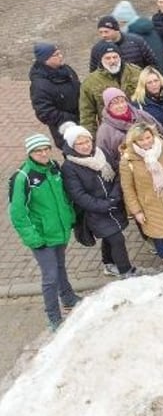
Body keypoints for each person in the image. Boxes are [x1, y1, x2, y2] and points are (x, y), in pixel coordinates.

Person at [9, 134, 81, 330]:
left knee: (60, 267)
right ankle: (53, 317)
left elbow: (64, 197)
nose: (42, 153)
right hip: (41, 237)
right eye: (37, 151)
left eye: (45, 149)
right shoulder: (22, 177)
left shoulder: (54, 167)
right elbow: (17, 213)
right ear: (30, 153)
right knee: (50, 277)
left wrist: (70, 217)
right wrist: (33, 238)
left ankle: (68, 298)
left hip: (59, 230)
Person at [59, 124, 135, 278]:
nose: (85, 146)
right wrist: (104, 205)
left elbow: (116, 173)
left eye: (87, 141)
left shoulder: (101, 153)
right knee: (116, 239)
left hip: (113, 204)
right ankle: (126, 271)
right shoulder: (69, 167)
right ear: (72, 146)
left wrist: (114, 197)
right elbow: (78, 195)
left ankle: (109, 264)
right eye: (80, 143)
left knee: (110, 236)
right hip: (95, 212)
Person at [119, 123, 163, 271]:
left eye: (148, 137)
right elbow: (128, 188)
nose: (146, 142)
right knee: (158, 233)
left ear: (153, 135)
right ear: (134, 141)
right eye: (141, 140)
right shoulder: (128, 160)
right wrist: (136, 211)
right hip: (149, 204)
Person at [79, 43, 142, 135]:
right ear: (101, 60)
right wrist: (91, 136)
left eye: (115, 57)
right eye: (108, 58)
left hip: (138, 125)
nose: (112, 61)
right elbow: (87, 115)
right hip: (112, 131)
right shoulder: (90, 82)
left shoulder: (135, 72)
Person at [30, 42, 80, 144]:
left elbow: (78, 87)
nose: (60, 56)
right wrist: (72, 118)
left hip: (81, 119)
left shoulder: (67, 70)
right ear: (45, 59)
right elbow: (45, 113)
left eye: (60, 53)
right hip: (65, 128)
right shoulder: (39, 86)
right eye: (56, 55)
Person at [96, 87, 158, 166]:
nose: (121, 106)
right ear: (108, 107)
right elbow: (105, 160)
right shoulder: (104, 131)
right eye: (115, 103)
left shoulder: (142, 115)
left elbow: (160, 132)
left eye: (122, 101)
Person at [89, 15, 158, 73]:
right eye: (101, 32)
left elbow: (153, 63)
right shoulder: (97, 49)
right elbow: (93, 72)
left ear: (116, 30)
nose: (103, 35)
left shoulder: (136, 41)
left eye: (106, 32)